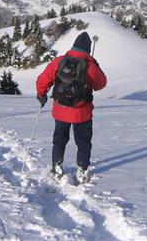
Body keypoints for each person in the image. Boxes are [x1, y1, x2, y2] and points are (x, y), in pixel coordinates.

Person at [36, 31, 107, 183]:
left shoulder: (60, 61)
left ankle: (57, 168)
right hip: (82, 112)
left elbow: (43, 79)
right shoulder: (89, 66)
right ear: (88, 50)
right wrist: (95, 64)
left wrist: (41, 94)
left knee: (59, 139)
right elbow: (101, 84)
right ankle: (82, 171)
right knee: (83, 142)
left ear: (73, 46)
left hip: (60, 110)